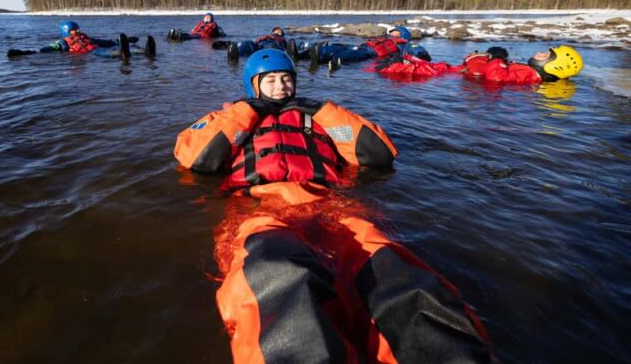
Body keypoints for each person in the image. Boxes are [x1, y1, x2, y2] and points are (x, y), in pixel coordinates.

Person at [174, 49, 492, 362]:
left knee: (392, 268)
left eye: (286, 79)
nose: (281, 86)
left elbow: (378, 154)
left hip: (330, 205)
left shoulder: (317, 119)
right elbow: (197, 159)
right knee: (277, 271)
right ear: (253, 85)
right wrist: (245, 111)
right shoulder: (230, 120)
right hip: (259, 208)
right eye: (270, 80)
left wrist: (322, 110)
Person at [311, 25, 430, 70]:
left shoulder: (405, 44)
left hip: (372, 52)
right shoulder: (387, 39)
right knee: (344, 47)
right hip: (366, 47)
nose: (392, 33)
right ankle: (320, 51)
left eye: (396, 32)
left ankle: (333, 59)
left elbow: (417, 50)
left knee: (354, 53)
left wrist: (421, 55)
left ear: (402, 35)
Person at [461, 45, 583, 84]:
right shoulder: (531, 72)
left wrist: (497, 57)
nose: (538, 53)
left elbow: (496, 78)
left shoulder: (530, 76)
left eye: (545, 55)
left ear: (554, 66)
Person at [40, 21, 155, 59]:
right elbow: (49, 48)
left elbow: (104, 42)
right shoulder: (63, 42)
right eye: (74, 30)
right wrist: (33, 52)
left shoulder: (85, 37)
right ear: (67, 32)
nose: (78, 31)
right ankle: (122, 53)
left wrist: (126, 40)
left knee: (120, 46)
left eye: (78, 29)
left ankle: (145, 51)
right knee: (107, 52)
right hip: (93, 52)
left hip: (97, 47)